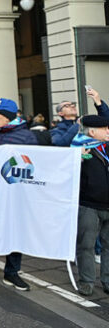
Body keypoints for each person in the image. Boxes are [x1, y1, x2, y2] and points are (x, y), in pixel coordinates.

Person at [0, 98, 36, 291]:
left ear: (8, 117)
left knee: (15, 232)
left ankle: (12, 272)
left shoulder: (26, 137)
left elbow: (35, 162)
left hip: (15, 195)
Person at [72, 115, 109, 296]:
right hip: (89, 205)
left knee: (108, 246)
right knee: (86, 245)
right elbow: (69, 171)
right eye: (105, 129)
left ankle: (107, 280)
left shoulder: (107, 147)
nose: (108, 131)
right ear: (92, 132)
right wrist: (76, 159)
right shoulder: (79, 147)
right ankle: (87, 281)